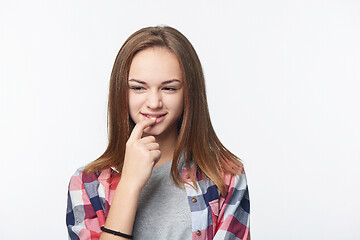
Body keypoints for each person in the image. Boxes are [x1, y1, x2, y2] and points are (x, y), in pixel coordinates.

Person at [66, 26, 250, 240]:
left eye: (169, 88)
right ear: (121, 92)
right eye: (138, 88)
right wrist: (129, 185)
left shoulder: (226, 177)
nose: (153, 103)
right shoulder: (87, 183)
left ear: (188, 93)